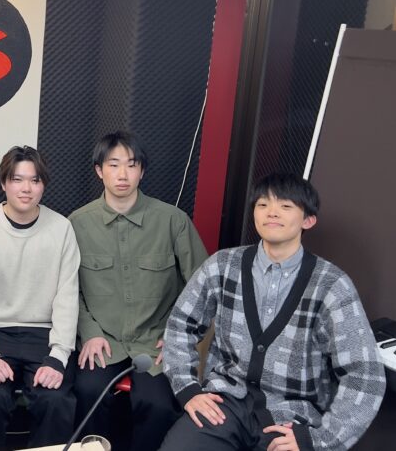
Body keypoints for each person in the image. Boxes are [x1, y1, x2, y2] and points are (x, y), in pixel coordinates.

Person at [161, 173, 386, 451]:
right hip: (224, 403)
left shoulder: (332, 285)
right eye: (263, 205)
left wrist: (320, 441)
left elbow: (365, 376)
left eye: (286, 206)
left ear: (308, 220)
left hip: (292, 417)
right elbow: (180, 325)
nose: (272, 212)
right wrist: (188, 389)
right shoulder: (222, 265)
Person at [68, 130, 208, 450]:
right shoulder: (77, 224)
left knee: (157, 404)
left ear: (142, 171)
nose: (123, 174)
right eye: (113, 164)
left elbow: (203, 288)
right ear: (99, 170)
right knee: (87, 393)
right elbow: (67, 290)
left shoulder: (173, 221)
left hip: (156, 340)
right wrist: (89, 332)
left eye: (131, 165)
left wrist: (179, 334)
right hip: (103, 340)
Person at [0, 146, 80, 450]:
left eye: (35, 180)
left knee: (55, 401)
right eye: (17, 179)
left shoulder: (62, 228)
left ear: (43, 185)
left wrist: (58, 357)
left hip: (44, 335)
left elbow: (67, 298)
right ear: (3, 183)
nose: (26, 188)